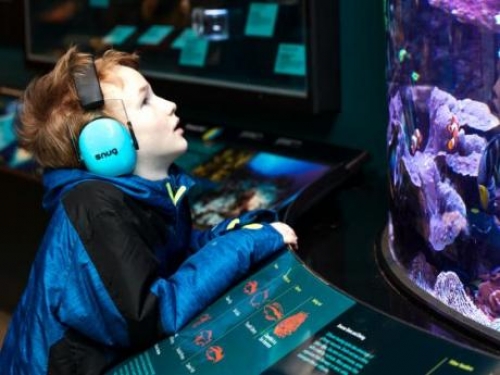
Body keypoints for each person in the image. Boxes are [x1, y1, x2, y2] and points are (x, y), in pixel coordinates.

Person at [0, 46, 298, 374]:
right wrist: (247, 243)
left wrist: (244, 230)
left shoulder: (148, 193)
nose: (170, 106)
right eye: (145, 101)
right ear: (106, 144)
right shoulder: (94, 209)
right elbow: (153, 314)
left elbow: (174, 256)